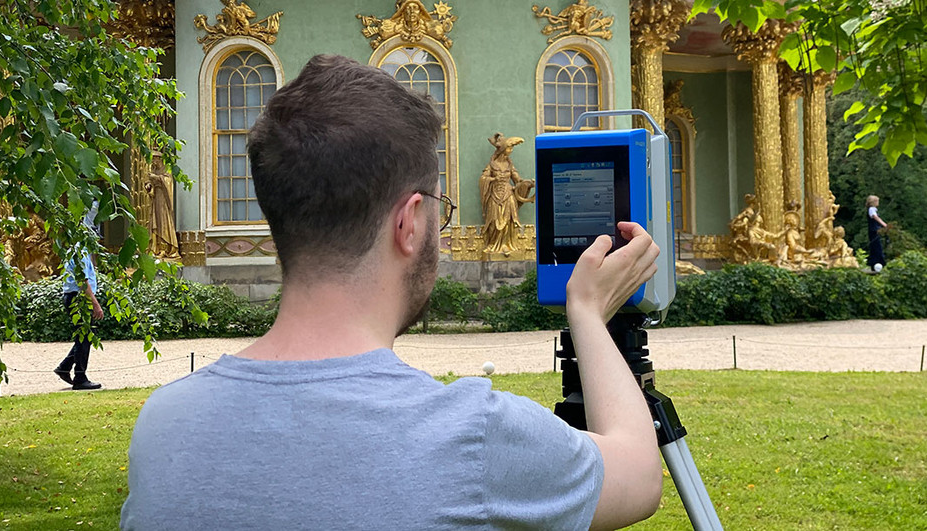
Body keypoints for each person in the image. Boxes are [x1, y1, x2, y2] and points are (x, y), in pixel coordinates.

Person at [121, 55, 663, 530]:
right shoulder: (473, 436)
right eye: (439, 211)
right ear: (408, 223)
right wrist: (587, 312)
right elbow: (638, 476)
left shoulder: (164, 425)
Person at [53, 244, 104, 390]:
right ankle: (80, 378)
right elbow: (82, 281)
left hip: (76, 296)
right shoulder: (79, 252)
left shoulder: (79, 251)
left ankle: (65, 367)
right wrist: (95, 304)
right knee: (85, 336)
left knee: (86, 335)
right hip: (78, 298)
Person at [866, 195, 888, 270]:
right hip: (874, 231)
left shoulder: (873, 209)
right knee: (877, 247)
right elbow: (876, 217)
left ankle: (875, 263)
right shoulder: (871, 209)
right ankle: (879, 263)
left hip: (875, 230)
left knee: (876, 247)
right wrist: (884, 224)